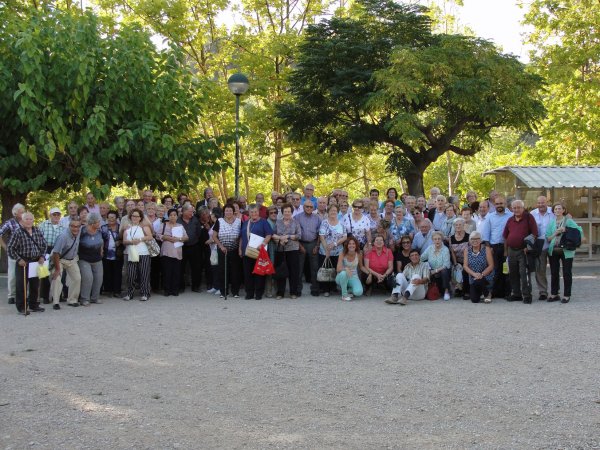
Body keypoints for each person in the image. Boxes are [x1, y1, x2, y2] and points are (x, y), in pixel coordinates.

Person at [7, 212, 47, 314]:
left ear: (33, 221)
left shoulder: (37, 230)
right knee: (21, 286)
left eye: (30, 219)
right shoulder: (18, 232)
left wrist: (42, 256)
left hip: (36, 261)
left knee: (35, 285)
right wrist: (18, 259)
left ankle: (34, 305)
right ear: (22, 221)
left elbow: (44, 245)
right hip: (23, 262)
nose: (29, 221)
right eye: (26, 219)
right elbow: (10, 248)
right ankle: (22, 307)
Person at [546, 203, 582, 303]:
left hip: (567, 251)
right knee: (554, 273)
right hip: (553, 251)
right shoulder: (551, 223)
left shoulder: (568, 221)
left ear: (563, 210)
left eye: (559, 208)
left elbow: (579, 231)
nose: (557, 210)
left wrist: (566, 229)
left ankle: (566, 295)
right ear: (553, 211)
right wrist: (555, 233)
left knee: (567, 273)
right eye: (555, 209)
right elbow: (548, 239)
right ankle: (554, 294)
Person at [503, 200, 538, 303]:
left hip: (523, 250)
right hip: (511, 251)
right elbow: (505, 236)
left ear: (523, 208)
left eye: (519, 207)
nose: (516, 210)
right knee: (513, 273)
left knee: (524, 274)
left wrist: (528, 246)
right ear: (511, 209)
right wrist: (506, 251)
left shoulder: (529, 218)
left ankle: (527, 295)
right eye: (514, 208)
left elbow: (535, 233)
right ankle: (516, 294)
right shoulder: (510, 220)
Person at [481, 195, 513, 299]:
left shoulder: (511, 216)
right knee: (496, 270)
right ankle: (496, 292)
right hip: (494, 247)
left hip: (508, 247)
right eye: (497, 204)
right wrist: (488, 247)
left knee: (507, 269)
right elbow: (486, 234)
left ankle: (507, 292)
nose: (499, 205)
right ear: (494, 205)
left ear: (505, 204)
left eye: (501, 203)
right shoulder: (490, 216)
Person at [240, 204, 272, 300]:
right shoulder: (245, 223)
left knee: (259, 272)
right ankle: (249, 293)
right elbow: (241, 236)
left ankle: (258, 293)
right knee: (247, 273)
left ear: (258, 212)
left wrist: (263, 244)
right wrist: (240, 249)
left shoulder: (264, 222)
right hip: (247, 251)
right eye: (252, 212)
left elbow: (269, 235)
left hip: (259, 251)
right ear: (249, 213)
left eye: (255, 212)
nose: (254, 213)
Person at [50, 217, 82, 309]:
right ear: (69, 226)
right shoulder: (63, 236)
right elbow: (56, 253)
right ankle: (55, 302)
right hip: (59, 259)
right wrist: (57, 269)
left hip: (72, 259)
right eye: (73, 226)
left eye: (77, 226)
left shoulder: (79, 232)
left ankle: (72, 300)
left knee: (77, 278)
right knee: (57, 278)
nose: (75, 228)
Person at [123, 209, 153, 301]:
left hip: (143, 253)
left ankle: (145, 293)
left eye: (137, 216)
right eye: (133, 216)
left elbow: (150, 236)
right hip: (131, 253)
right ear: (130, 217)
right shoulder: (127, 228)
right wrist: (131, 242)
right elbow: (124, 241)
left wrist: (139, 239)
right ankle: (129, 293)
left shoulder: (144, 227)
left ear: (140, 218)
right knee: (131, 274)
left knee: (144, 274)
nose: (135, 218)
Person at [212, 204, 242, 298]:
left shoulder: (239, 221)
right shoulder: (219, 221)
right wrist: (221, 246)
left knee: (235, 271)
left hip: (235, 249)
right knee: (223, 271)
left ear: (233, 212)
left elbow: (241, 236)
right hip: (222, 249)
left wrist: (240, 248)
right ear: (224, 212)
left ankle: (235, 292)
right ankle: (223, 291)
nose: (228, 212)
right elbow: (214, 236)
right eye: (226, 210)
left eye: (230, 210)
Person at [272, 204, 302, 299]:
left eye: (289, 211)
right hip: (281, 249)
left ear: (291, 212)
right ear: (282, 212)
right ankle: (280, 292)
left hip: (293, 249)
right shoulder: (278, 222)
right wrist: (281, 238)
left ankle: (293, 292)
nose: (287, 213)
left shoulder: (296, 223)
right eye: (285, 211)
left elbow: (299, 235)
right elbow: (273, 234)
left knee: (294, 271)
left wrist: (288, 237)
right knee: (281, 271)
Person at [157, 208, 189, 296]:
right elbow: (157, 235)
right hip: (166, 251)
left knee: (176, 272)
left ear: (177, 216)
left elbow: (186, 237)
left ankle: (175, 290)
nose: (173, 217)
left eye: (174, 215)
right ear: (168, 216)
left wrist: (177, 239)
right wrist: (167, 237)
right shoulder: (164, 225)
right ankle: (167, 290)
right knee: (167, 272)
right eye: (171, 215)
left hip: (177, 251)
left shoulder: (180, 226)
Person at [318, 204, 347, 297]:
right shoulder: (324, 222)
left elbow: (345, 236)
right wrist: (327, 249)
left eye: (335, 210)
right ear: (328, 212)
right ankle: (326, 289)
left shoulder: (342, 223)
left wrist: (335, 244)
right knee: (326, 269)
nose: (333, 212)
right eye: (331, 210)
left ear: (337, 212)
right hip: (325, 250)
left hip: (338, 251)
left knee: (336, 269)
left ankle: (334, 287)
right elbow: (321, 236)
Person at [295, 200, 322, 297]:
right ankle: (298, 289)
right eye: (307, 206)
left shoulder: (317, 218)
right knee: (299, 267)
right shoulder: (297, 217)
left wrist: (317, 246)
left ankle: (315, 288)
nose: (309, 208)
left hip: (313, 243)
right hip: (300, 243)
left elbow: (320, 233)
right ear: (303, 207)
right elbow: (294, 232)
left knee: (314, 267)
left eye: (311, 207)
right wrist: (299, 245)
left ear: (313, 208)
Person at [530, 196, 555, 301]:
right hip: (541, 246)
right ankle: (543, 292)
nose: (541, 205)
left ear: (547, 202)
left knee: (555, 269)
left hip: (554, 245)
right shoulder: (532, 214)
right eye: (539, 203)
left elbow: (564, 217)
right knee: (540, 270)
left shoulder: (553, 212)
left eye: (543, 203)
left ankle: (555, 292)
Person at [38, 207, 64, 304]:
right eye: (54, 214)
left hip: (57, 251)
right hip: (45, 250)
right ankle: (45, 296)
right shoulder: (43, 225)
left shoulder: (63, 227)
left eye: (58, 214)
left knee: (57, 273)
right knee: (44, 274)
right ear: (50, 215)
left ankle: (57, 296)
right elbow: (38, 239)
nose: (56, 216)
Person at [78, 213, 105, 306]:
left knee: (99, 278)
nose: (99, 223)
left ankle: (95, 297)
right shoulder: (82, 231)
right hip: (84, 258)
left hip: (97, 258)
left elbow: (101, 241)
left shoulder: (99, 231)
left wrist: (101, 249)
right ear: (92, 223)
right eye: (98, 222)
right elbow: (76, 242)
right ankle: (84, 298)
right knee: (88, 278)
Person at [463, 231, 494, 303]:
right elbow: (465, 266)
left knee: (479, 280)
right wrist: (474, 274)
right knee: (474, 300)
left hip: (485, 277)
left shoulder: (486, 249)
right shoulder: (467, 250)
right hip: (473, 277)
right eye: (473, 239)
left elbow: (491, 265)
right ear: (470, 241)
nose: (475, 241)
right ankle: (481, 293)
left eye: (477, 238)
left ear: (481, 240)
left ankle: (487, 294)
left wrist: (482, 274)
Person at [177, 204, 202, 292]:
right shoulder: (178, 220)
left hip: (194, 246)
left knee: (196, 268)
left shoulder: (195, 219)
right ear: (184, 211)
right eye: (190, 211)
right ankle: (180, 287)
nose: (192, 213)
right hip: (181, 247)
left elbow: (199, 233)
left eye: (192, 211)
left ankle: (196, 286)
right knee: (180, 267)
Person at [421, 231, 452, 300]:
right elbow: (421, 258)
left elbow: (446, 265)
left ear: (442, 240)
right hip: (432, 271)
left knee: (445, 271)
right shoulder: (430, 248)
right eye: (435, 239)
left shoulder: (445, 249)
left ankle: (446, 292)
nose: (437, 241)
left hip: (442, 271)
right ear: (432, 240)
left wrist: (435, 271)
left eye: (439, 239)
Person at [335, 237, 367, 301]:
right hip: (341, 276)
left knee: (358, 292)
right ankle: (344, 295)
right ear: (347, 245)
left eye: (353, 244)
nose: (351, 245)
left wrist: (369, 273)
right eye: (349, 244)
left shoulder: (359, 254)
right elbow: (338, 269)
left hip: (353, 276)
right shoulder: (342, 254)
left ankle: (347, 290)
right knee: (344, 273)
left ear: (356, 245)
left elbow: (361, 267)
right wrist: (345, 269)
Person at [101, 211, 124, 298]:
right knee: (107, 272)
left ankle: (117, 291)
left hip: (118, 254)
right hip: (106, 253)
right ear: (107, 218)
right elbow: (101, 239)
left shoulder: (120, 228)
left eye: (113, 217)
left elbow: (125, 238)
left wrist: (120, 241)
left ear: (116, 218)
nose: (111, 219)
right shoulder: (103, 228)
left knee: (117, 272)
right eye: (109, 217)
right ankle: (108, 290)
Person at [449, 218, 470, 299]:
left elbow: (470, 251)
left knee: (465, 271)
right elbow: (452, 252)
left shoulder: (468, 236)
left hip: (467, 260)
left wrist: (465, 264)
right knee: (455, 269)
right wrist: (455, 263)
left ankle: (466, 292)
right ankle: (458, 289)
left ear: (463, 225)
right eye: (456, 225)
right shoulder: (451, 238)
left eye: (460, 224)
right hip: (457, 260)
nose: (458, 226)